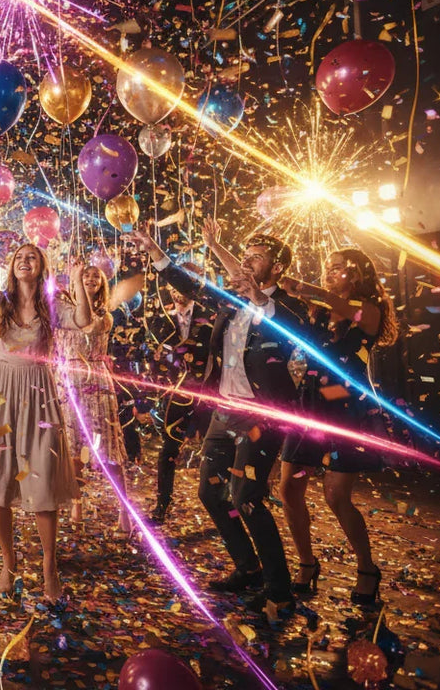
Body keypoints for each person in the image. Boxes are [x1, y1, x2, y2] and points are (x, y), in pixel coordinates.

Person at [131, 220, 310, 616]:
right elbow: (189, 285)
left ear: (277, 267)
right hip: (223, 411)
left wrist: (259, 299)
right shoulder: (230, 301)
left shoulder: (289, 306)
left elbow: (293, 330)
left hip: (261, 416)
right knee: (211, 493)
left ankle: (279, 589)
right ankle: (247, 567)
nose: (247, 262)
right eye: (245, 256)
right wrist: (155, 251)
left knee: (247, 498)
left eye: (257, 257)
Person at [0, 219, 79, 601]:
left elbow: (83, 321)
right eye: (19, 257)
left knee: (41, 478)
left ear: (41, 267)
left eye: (32, 257)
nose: (25, 260)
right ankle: (8, 561)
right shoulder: (1, 302)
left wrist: (77, 281)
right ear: (11, 267)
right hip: (3, 394)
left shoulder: (53, 306)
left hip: (39, 394)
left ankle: (49, 566)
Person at [277, 248, 398, 606]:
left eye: (339, 268)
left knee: (336, 496)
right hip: (309, 405)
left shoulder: (369, 311)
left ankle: (366, 569)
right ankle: (306, 563)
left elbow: (345, 308)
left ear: (357, 274)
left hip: (346, 408)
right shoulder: (318, 310)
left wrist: (305, 289)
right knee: (289, 488)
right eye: (328, 267)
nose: (330, 272)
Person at [56, 262, 129, 533]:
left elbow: (87, 325)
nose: (89, 278)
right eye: (85, 274)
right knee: (73, 449)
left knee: (108, 451)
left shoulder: (104, 316)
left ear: (101, 284)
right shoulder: (61, 312)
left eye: (95, 276)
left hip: (96, 385)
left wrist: (78, 286)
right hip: (67, 383)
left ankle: (124, 509)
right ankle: (77, 503)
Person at [147, 273, 214, 523]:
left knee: (216, 448)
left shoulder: (210, 316)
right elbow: (153, 356)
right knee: (169, 448)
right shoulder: (160, 317)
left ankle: (224, 504)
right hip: (175, 394)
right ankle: (162, 503)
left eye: (183, 285)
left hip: (206, 393)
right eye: (173, 286)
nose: (178, 291)